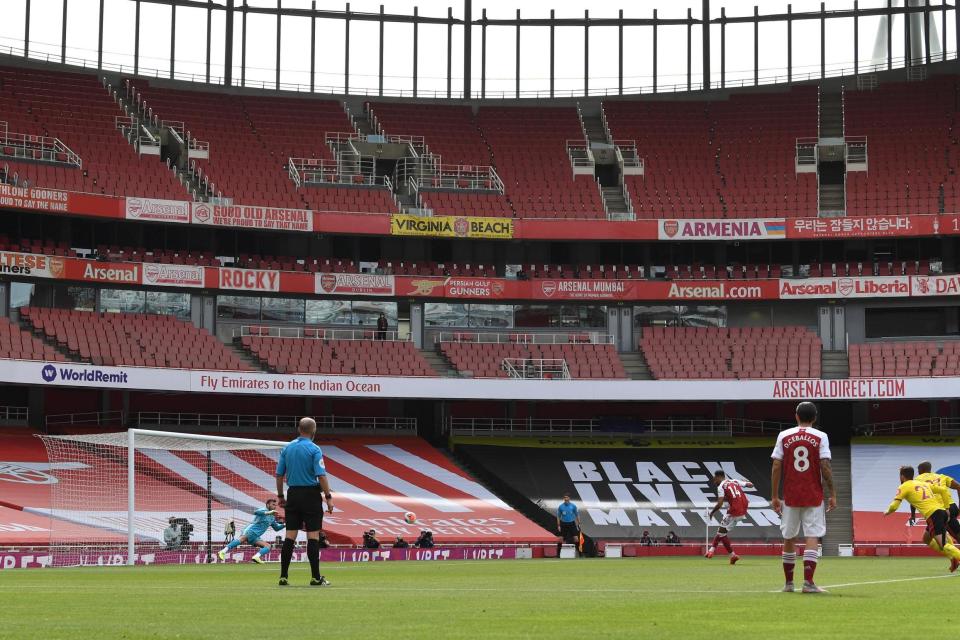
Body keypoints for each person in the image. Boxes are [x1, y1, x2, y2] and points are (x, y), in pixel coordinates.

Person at [770, 401, 836, 594]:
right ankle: (808, 583)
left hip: (790, 494)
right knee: (812, 535)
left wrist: (774, 495)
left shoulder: (784, 435)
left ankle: (789, 584)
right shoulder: (821, 436)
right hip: (813, 494)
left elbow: (776, 465)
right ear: (814, 418)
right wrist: (832, 493)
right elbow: (825, 466)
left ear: (796, 416)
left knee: (789, 536)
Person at [276, 417, 334, 587]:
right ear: (314, 431)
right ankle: (316, 577)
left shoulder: (287, 448)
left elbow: (279, 475)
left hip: (293, 494)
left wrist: (280, 496)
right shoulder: (314, 449)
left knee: (290, 536)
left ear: (298, 429)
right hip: (311, 495)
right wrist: (328, 498)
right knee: (313, 536)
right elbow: (321, 475)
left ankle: (283, 576)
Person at [884, 465, 960, 572]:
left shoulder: (913, 482)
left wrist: (888, 512)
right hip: (945, 509)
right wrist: (948, 508)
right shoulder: (937, 477)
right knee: (928, 538)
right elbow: (948, 489)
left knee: (944, 543)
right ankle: (953, 558)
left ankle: (954, 557)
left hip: (935, 512)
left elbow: (899, 503)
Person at [706, 470, 754, 564]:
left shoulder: (721, 487)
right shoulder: (734, 481)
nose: (714, 482)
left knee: (721, 533)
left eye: (714, 479)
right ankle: (727, 555)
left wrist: (712, 513)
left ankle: (713, 552)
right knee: (721, 532)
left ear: (719, 477)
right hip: (743, 510)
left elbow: (719, 504)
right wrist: (745, 481)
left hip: (734, 511)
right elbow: (751, 485)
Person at [217, 499, 286, 564]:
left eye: (275, 505)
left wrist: (285, 524)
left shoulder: (272, 517)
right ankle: (223, 551)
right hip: (251, 530)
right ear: (268, 505)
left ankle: (256, 557)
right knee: (242, 539)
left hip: (256, 536)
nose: (275, 506)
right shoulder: (263, 510)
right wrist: (268, 512)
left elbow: (276, 528)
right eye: (273, 504)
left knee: (268, 546)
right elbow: (256, 512)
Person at [916, 460, 960, 543]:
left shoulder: (917, 480)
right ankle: (951, 552)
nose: (918, 472)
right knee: (926, 539)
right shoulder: (942, 476)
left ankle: (951, 551)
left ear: (921, 470)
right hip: (951, 507)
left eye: (918, 470)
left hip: (941, 510)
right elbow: (958, 486)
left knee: (957, 535)